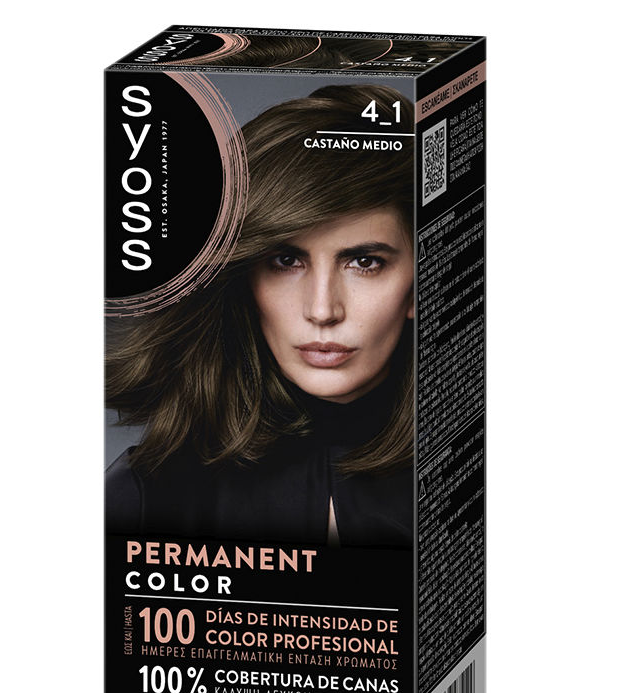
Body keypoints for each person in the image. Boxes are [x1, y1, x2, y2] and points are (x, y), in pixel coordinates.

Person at [105, 85, 415, 547]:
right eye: (285, 261)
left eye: (364, 262)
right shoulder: (147, 495)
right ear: (244, 278)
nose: (322, 310)